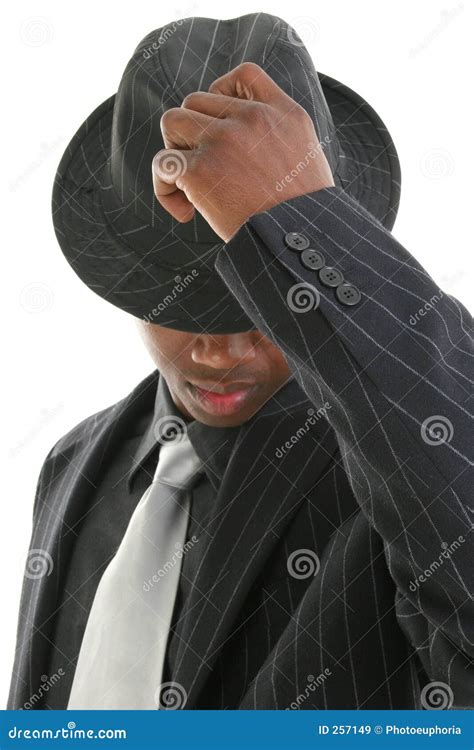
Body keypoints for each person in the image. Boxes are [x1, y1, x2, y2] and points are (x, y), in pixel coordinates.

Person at [8, 13, 473, 710]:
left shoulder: (397, 480)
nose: (222, 351)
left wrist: (297, 223)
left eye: (256, 305)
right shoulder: (73, 464)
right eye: (187, 308)